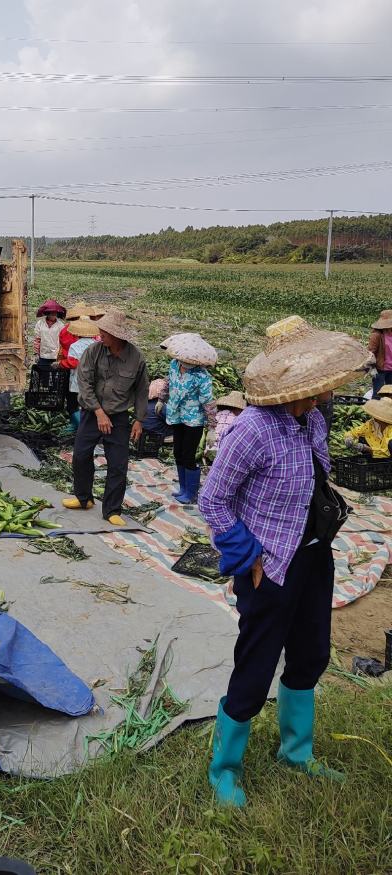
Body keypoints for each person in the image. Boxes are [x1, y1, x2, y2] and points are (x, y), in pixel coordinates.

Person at [198, 315, 369, 808]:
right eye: (312, 389)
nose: (319, 396)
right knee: (255, 666)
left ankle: (296, 754)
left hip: (315, 558)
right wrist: (244, 555)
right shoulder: (251, 430)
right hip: (269, 567)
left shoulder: (312, 418)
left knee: (312, 654)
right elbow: (213, 500)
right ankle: (224, 770)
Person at [62, 309, 148, 526]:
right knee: (81, 455)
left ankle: (111, 510)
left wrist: (139, 419)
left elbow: (141, 390)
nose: (101, 335)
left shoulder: (136, 358)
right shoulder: (94, 351)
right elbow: (85, 383)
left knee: (118, 464)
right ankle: (84, 498)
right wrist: (99, 412)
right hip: (92, 414)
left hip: (118, 417)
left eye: (105, 333)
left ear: (118, 335)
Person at [162, 333, 218, 505]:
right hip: (176, 414)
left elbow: (208, 401)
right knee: (178, 452)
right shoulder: (174, 364)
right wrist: (161, 399)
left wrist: (212, 427)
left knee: (188, 454)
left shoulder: (202, 376)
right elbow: (168, 382)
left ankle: (191, 493)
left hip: (193, 419)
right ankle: (183, 488)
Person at [61, 316, 99, 431]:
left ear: (77, 333)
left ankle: (82, 427)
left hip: (79, 380)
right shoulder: (97, 345)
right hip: (94, 380)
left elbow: (73, 363)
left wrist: (60, 364)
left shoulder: (75, 346)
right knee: (89, 405)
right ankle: (87, 426)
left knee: (73, 405)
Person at [205, 391, 246, 462]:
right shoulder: (236, 418)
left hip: (209, 450)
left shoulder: (219, 414)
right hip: (221, 453)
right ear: (238, 408)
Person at [33, 300, 66, 368]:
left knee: (55, 376)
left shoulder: (61, 325)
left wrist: (61, 356)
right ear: (47, 313)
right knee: (44, 376)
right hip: (43, 355)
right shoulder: (40, 323)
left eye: (55, 313)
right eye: (51, 313)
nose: (54, 315)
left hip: (56, 356)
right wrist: (36, 353)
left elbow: (63, 341)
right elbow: (37, 339)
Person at [368, 309, 392, 397]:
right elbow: (370, 353)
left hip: (391, 369)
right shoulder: (376, 335)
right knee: (378, 393)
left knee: (390, 393)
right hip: (380, 369)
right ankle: (373, 409)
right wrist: (372, 367)